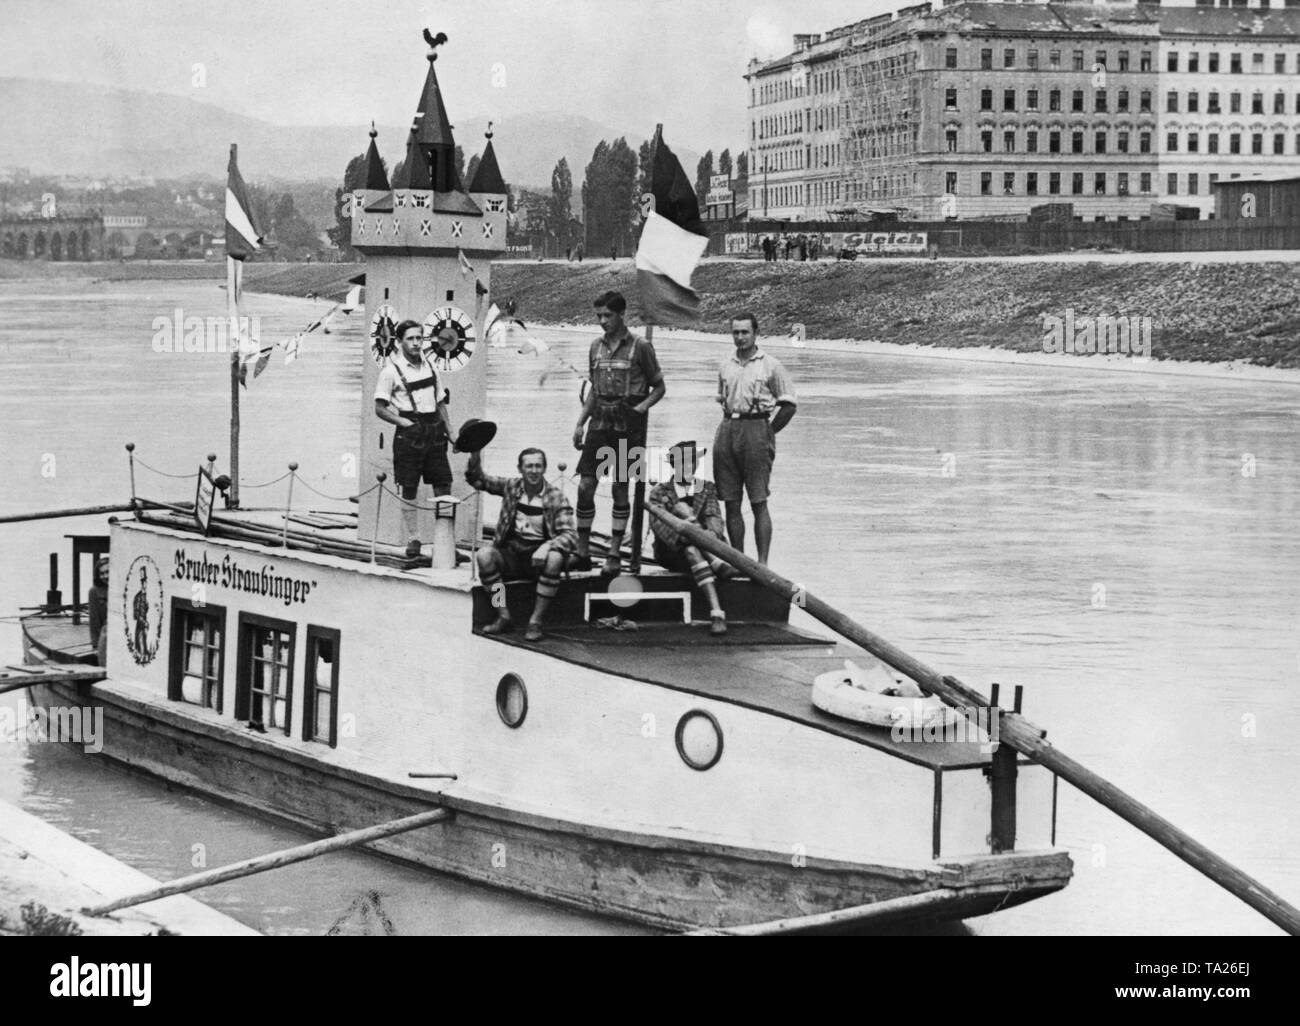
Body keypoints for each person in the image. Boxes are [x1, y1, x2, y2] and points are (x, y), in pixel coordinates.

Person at [572, 290, 665, 576]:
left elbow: (660, 387)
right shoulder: (594, 347)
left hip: (629, 427)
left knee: (620, 489)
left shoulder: (641, 346)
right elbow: (592, 392)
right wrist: (579, 423)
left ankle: (614, 553)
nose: (602, 321)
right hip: (600, 423)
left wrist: (641, 409)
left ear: (621, 314)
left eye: (608, 316)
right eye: (598, 316)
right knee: (586, 486)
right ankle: (583, 551)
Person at [466, 447, 577, 642]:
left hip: (538, 560)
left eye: (538, 466)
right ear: (520, 468)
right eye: (529, 466)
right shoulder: (511, 486)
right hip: (512, 553)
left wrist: (547, 546)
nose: (534, 471)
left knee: (555, 558)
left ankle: (536, 621)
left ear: (544, 469)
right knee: (484, 555)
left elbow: (569, 535)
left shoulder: (556, 497)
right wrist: (475, 453)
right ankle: (503, 615)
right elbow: (478, 479)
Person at [713, 313, 797, 565]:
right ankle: (739, 560)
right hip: (728, 428)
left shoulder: (770, 365)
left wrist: (768, 431)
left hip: (756, 428)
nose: (740, 338)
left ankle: (762, 563)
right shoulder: (725, 364)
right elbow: (722, 398)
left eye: (744, 332)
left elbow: (789, 404)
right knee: (730, 501)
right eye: (735, 332)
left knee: (758, 500)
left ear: (755, 333)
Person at [374, 319, 456, 559]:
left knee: (443, 484)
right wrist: (404, 423)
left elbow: (440, 402)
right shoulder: (390, 371)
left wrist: (451, 433)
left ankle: (445, 541)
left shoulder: (431, 367)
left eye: (419, 338)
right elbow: (379, 408)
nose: (416, 343)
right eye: (410, 339)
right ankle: (414, 538)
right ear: (399, 342)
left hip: (434, 430)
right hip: (409, 432)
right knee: (409, 486)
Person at [647, 440, 732, 636]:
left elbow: (715, 520)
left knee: (694, 550)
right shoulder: (659, 492)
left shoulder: (707, 488)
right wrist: (693, 535)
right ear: (673, 464)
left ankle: (717, 613)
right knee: (691, 549)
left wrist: (707, 535)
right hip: (672, 551)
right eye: (682, 462)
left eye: (691, 462)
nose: (687, 467)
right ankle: (716, 606)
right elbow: (662, 529)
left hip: (706, 546)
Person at [88, 556, 108, 664]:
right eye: (102, 573)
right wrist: (95, 645)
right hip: (105, 636)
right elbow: (94, 620)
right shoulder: (94, 591)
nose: (105, 576)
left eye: (108, 572)